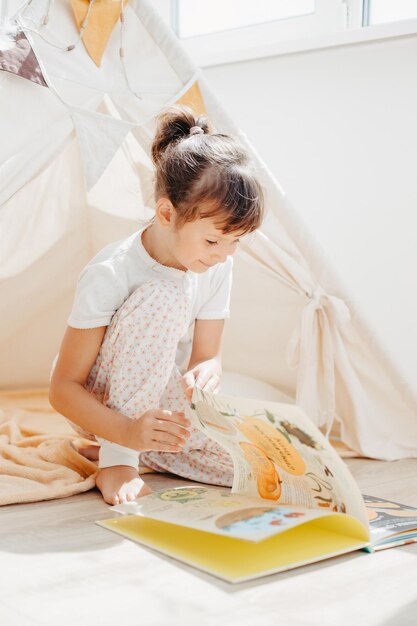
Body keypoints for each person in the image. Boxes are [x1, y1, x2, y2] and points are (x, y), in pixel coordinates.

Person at [49, 105, 264, 505]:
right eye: (214, 241)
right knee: (162, 299)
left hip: (158, 394)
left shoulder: (217, 267)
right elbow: (63, 389)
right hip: (98, 401)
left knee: (254, 466)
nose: (223, 254)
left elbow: (206, 356)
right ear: (167, 213)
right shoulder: (113, 272)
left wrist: (205, 373)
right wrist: (125, 436)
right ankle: (119, 458)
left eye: (236, 241)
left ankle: (147, 447)